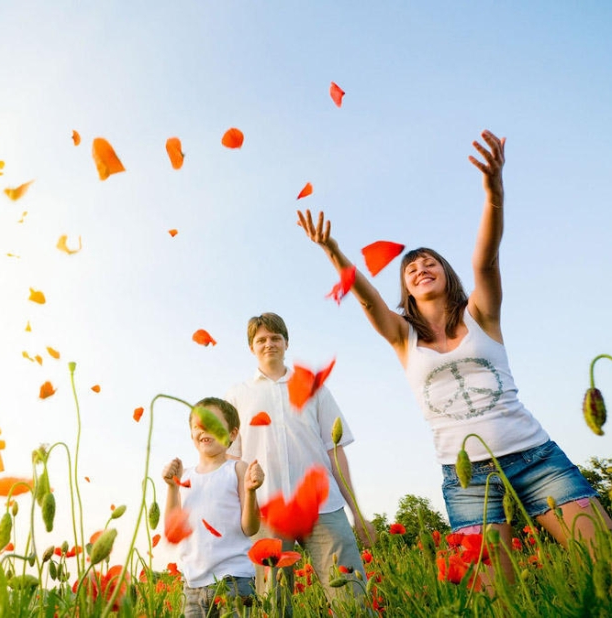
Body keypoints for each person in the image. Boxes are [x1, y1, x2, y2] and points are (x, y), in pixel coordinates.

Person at [297, 129, 612, 579]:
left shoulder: (483, 313)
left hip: (536, 457)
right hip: (466, 478)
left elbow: (486, 261)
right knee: (497, 596)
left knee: (603, 560)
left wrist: (493, 191)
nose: (421, 268)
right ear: (405, 287)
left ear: (446, 273)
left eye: (430, 263)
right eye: (410, 268)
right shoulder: (401, 336)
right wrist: (332, 249)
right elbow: (367, 299)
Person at [226, 312, 373, 604]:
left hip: (323, 508)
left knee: (352, 597)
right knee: (274, 603)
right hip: (267, 512)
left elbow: (335, 450)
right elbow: (232, 463)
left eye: (275, 338)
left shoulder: (314, 388)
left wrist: (357, 511)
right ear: (251, 347)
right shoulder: (237, 395)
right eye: (261, 339)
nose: (269, 344)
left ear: (286, 343)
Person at [162, 397, 265, 618]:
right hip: (193, 586)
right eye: (198, 426)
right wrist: (172, 488)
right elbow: (173, 530)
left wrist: (250, 491)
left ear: (232, 434)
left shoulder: (237, 469)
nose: (204, 430)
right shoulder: (185, 477)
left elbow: (250, 528)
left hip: (234, 581)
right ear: (192, 435)